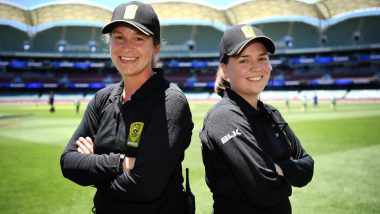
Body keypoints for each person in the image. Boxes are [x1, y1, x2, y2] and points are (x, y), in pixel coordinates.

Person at [60, 2, 194, 213]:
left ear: (155, 47)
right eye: (119, 37)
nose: (126, 46)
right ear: (110, 43)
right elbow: (68, 162)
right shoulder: (102, 99)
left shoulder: (170, 101)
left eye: (139, 38)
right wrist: (121, 163)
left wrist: (95, 168)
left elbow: (146, 186)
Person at [200, 24, 314, 214]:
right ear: (225, 71)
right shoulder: (223, 117)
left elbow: (308, 166)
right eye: (244, 60)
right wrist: (288, 172)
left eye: (262, 58)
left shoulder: (272, 113)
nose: (256, 67)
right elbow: (265, 191)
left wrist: (277, 169)